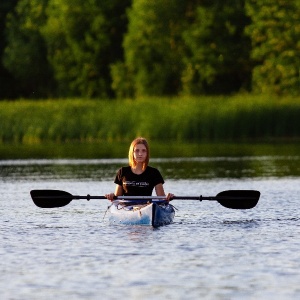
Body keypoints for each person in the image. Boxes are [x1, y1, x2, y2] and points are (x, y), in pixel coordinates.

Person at [105, 137, 174, 201]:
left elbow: (162, 199)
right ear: (132, 153)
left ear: (147, 153)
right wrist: (112, 196)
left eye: (144, 151)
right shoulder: (123, 171)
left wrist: (168, 197)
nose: (140, 154)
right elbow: (117, 199)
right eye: (137, 151)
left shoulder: (154, 172)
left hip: (147, 207)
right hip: (127, 208)